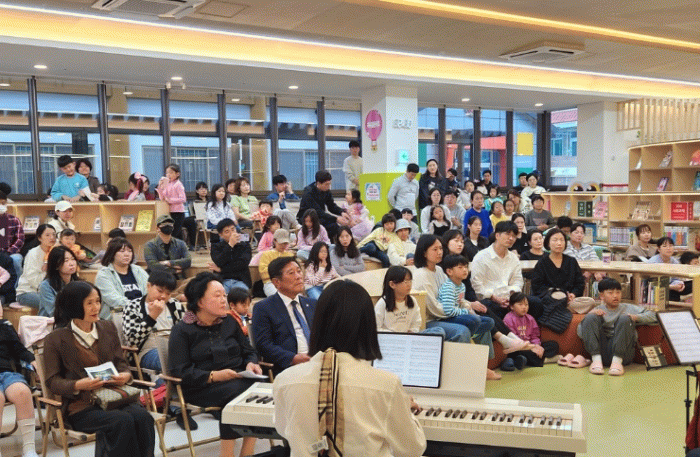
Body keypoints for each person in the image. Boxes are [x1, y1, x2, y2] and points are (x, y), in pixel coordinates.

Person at [272, 279, 427, 456]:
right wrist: (404, 408)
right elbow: (412, 448)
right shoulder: (387, 384)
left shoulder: (285, 379)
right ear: (367, 327)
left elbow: (284, 429)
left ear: (318, 323)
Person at [43, 281, 155, 457]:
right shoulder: (56, 338)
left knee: (143, 417)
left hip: (115, 397)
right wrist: (78, 385)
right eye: (89, 303)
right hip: (81, 406)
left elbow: (121, 363)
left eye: (97, 301)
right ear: (74, 305)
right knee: (122, 421)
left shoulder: (107, 327)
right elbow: (52, 381)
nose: (96, 307)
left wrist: (125, 375)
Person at [168, 272, 260, 457]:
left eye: (224, 295)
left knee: (259, 386)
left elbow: (248, 350)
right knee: (238, 392)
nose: (223, 300)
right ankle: (227, 454)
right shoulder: (182, 330)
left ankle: (247, 451)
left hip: (237, 378)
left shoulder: (230, 322)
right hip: (200, 386)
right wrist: (213, 376)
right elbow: (179, 371)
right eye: (217, 296)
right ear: (200, 302)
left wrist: (251, 363)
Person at [577, 278, 657, 376]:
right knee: (590, 317)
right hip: (601, 353)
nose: (615, 296)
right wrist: (589, 315)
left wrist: (636, 317)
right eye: (610, 293)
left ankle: (617, 362)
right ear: (602, 295)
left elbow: (654, 316)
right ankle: (596, 360)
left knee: (624, 318)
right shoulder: (597, 310)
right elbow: (580, 333)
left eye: (618, 292)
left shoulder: (628, 307)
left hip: (624, 354)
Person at [252, 256, 317, 375]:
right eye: (291, 273)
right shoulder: (264, 308)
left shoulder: (313, 304)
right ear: (276, 282)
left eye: (299, 271)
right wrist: (292, 358)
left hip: (317, 363)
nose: (298, 276)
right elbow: (263, 345)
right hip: (289, 368)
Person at [470, 221, 544, 320]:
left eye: (514, 236)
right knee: (487, 308)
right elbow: (477, 285)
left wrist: (512, 297)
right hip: (490, 298)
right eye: (508, 234)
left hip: (510, 298)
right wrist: (495, 298)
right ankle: (506, 330)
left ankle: (532, 328)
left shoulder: (513, 258)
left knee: (536, 303)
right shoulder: (481, 257)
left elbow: (518, 281)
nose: (511, 238)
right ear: (497, 235)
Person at [122, 270, 185, 372]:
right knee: (170, 360)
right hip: (147, 351)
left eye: (168, 293)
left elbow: (187, 331)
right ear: (148, 286)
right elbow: (132, 340)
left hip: (175, 349)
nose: (163, 296)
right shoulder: (133, 307)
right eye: (160, 291)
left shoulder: (176, 306)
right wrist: (152, 316)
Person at [437, 255, 496, 359]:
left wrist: (470, 310)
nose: (465, 270)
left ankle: (487, 361)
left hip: (457, 315)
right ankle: (471, 338)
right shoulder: (449, 287)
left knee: (489, 321)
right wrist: (466, 311)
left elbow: (460, 302)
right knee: (474, 320)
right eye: (460, 267)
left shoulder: (461, 286)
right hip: (447, 318)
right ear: (449, 271)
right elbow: (448, 311)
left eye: (466, 267)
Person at [0, 306, 39, 457]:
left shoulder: (5, 326)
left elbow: (19, 349)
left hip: (8, 373)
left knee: (22, 392)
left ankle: (29, 449)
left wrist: (33, 360)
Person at [375, 266, 443, 336]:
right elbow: (376, 328)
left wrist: (412, 331)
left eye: (410, 281)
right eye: (405, 281)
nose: (409, 284)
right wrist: (395, 335)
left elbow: (416, 322)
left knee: (439, 331)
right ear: (392, 284)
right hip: (391, 339)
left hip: (409, 337)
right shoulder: (382, 303)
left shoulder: (412, 300)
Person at [95, 237, 148, 319]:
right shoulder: (104, 274)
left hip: (142, 314)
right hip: (117, 316)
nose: (127, 254)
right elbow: (113, 300)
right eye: (122, 251)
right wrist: (139, 307)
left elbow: (149, 291)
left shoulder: (138, 270)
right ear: (112, 253)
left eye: (130, 251)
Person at [297, 170, 347, 240]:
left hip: (320, 217)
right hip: (307, 218)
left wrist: (342, 212)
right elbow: (318, 211)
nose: (329, 186)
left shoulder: (326, 191)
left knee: (334, 226)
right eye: (326, 184)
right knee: (331, 226)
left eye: (329, 184)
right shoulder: (308, 192)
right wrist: (336, 219)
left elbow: (331, 206)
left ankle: (333, 244)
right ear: (318, 183)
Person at [16, 224, 56, 309]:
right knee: (52, 303)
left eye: (54, 234)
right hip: (27, 292)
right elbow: (33, 280)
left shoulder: (56, 252)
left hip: (48, 290)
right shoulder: (33, 254)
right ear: (39, 238)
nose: (52, 237)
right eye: (47, 235)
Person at [210, 218, 252, 294]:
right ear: (221, 235)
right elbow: (219, 262)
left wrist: (221, 270)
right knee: (217, 295)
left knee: (239, 295)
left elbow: (242, 264)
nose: (232, 233)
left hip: (240, 280)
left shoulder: (244, 244)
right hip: (222, 281)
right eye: (227, 231)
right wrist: (230, 245)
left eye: (233, 229)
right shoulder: (216, 246)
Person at [144, 214, 191, 280]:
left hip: (178, 278)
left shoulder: (181, 243)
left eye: (170, 224)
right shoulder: (150, 245)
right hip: (158, 279)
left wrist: (169, 263)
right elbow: (153, 266)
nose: (168, 226)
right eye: (164, 224)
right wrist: (174, 270)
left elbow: (188, 261)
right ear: (157, 228)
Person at [38, 246, 80, 317]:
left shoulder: (79, 283)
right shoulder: (46, 286)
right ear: (56, 265)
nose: (71, 264)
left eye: (73, 259)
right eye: (66, 261)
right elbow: (54, 312)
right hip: (51, 322)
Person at [259, 229, 296, 297]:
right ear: (274, 241)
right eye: (281, 243)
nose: (283, 245)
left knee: (297, 296)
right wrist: (281, 271)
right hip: (270, 283)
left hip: (288, 282)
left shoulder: (290, 255)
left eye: (285, 243)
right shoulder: (266, 255)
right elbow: (263, 273)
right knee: (280, 297)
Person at [157, 163, 187, 240]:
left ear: (177, 174)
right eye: (167, 173)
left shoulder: (178, 184)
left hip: (178, 212)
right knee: (176, 234)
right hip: (169, 211)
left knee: (175, 233)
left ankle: (178, 246)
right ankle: (180, 246)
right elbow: (162, 198)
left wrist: (171, 200)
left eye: (171, 173)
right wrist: (160, 188)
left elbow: (183, 199)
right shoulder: (168, 184)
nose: (168, 175)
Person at [0, 191, 24, 279]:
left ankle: (18, 285)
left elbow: (20, 239)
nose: (1, 206)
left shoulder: (14, 220)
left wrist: (9, 252)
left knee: (16, 259)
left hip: (10, 253)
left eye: (3, 203)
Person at [183, 181, 208, 249]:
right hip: (197, 218)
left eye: (205, 189)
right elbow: (193, 214)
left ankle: (205, 243)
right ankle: (193, 244)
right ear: (197, 191)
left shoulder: (210, 201)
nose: (204, 191)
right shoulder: (195, 202)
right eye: (201, 189)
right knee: (190, 221)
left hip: (208, 218)